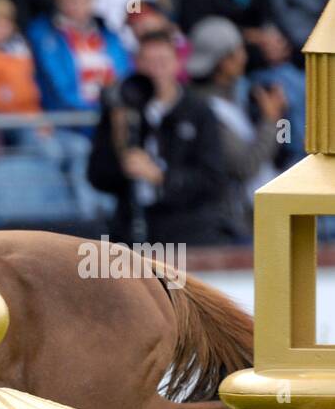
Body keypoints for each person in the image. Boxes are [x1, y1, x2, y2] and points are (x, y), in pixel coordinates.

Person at [87, 30, 234, 246]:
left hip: (190, 232)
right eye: (147, 62)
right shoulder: (120, 110)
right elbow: (97, 176)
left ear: (177, 64)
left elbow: (213, 180)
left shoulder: (199, 111)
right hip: (132, 231)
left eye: (162, 62)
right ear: (136, 64)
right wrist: (120, 145)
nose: (155, 71)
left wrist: (161, 176)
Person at [186, 17, 285, 240]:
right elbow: (244, 166)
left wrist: (277, 121)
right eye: (238, 51)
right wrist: (272, 121)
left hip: (257, 211)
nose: (244, 56)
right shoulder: (207, 109)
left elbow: (277, 150)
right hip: (237, 222)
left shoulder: (238, 95)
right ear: (223, 61)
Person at [26, 0, 129, 112]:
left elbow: (124, 75)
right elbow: (56, 86)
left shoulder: (110, 35)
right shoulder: (43, 34)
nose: (75, 2)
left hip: (111, 115)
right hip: (67, 120)